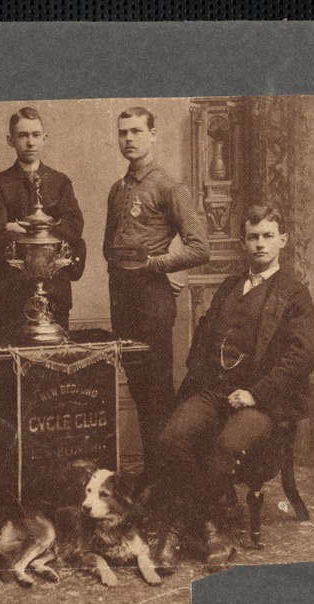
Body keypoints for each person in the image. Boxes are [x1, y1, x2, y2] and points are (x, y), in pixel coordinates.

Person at [153, 205, 314, 567]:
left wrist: (256, 393)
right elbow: (202, 338)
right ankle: (209, 524)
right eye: (253, 237)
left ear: (283, 240)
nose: (260, 244)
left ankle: (190, 528)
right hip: (216, 390)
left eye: (268, 236)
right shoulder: (230, 285)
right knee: (171, 439)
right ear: (244, 242)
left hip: (263, 400)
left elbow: (301, 357)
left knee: (224, 448)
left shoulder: (294, 294)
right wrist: (200, 384)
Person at [0, 107, 85, 508]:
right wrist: (37, 228)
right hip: (10, 297)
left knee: (53, 385)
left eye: (36, 134)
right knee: (7, 387)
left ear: (45, 138)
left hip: (54, 293)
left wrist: (29, 227)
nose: (29, 141)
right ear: (11, 140)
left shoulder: (61, 182)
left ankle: (53, 477)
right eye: (22, 135)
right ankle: (8, 480)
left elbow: (74, 228)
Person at [103, 106, 210, 485]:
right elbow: (109, 249)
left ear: (152, 134)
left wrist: (156, 266)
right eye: (123, 132)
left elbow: (200, 247)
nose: (128, 139)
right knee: (138, 389)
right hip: (123, 301)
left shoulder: (169, 186)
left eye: (136, 131)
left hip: (152, 301)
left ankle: (167, 484)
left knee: (157, 393)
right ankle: (154, 478)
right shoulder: (118, 189)